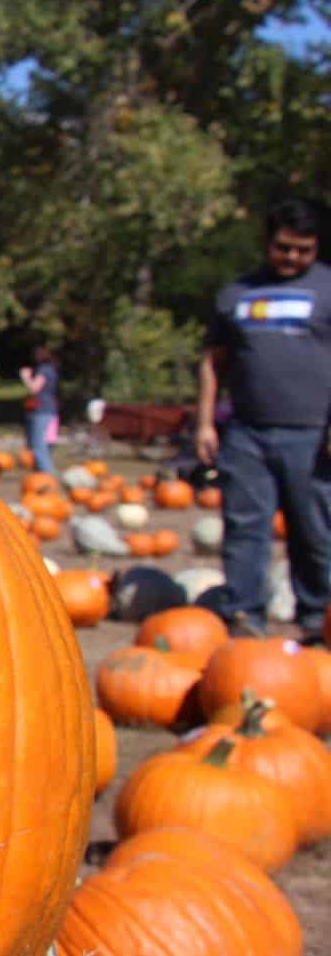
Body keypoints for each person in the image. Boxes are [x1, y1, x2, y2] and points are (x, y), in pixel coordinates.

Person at [196, 197, 331, 637]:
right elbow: (212, 362)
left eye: (303, 250)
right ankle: (244, 616)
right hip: (246, 434)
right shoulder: (236, 295)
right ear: (267, 243)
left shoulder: (328, 289)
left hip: (313, 435)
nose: (292, 257)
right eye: (283, 247)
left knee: (314, 531)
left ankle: (319, 618)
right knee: (245, 529)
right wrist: (204, 423)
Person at [19, 346, 59, 476]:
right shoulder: (51, 369)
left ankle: (48, 474)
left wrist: (25, 377)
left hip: (41, 410)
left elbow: (34, 388)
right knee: (46, 443)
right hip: (50, 410)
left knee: (37, 444)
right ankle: (40, 473)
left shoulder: (43, 370)